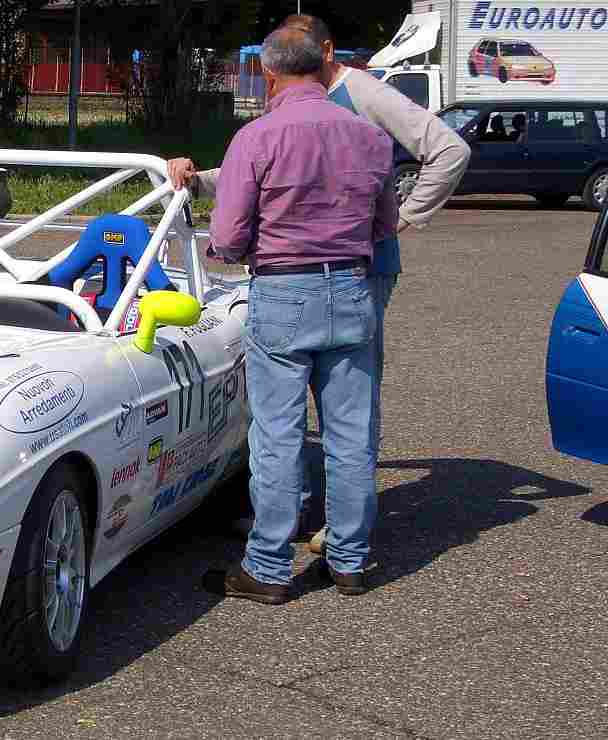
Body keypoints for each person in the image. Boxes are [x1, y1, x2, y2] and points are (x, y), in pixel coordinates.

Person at [168, 13, 470, 552]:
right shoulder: (324, 121)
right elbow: (271, 168)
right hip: (350, 272)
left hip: (345, 271)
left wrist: (407, 217)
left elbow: (449, 150)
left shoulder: (360, 93)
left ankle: (284, 540)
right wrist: (199, 178)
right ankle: (337, 537)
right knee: (343, 415)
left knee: (298, 419)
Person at [200, 27, 397, 603]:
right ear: (325, 67)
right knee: (352, 433)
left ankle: (266, 567)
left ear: (268, 73)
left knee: (279, 435)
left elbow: (230, 236)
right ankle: (350, 559)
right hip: (354, 289)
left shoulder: (256, 138)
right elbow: (383, 227)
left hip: (285, 292)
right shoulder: (369, 137)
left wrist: (226, 250)